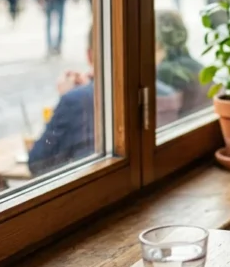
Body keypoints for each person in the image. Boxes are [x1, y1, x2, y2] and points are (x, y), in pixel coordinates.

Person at [28, 28, 179, 175]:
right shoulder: (165, 91)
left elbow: (37, 163)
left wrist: (69, 95)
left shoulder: (75, 100)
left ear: (89, 55)